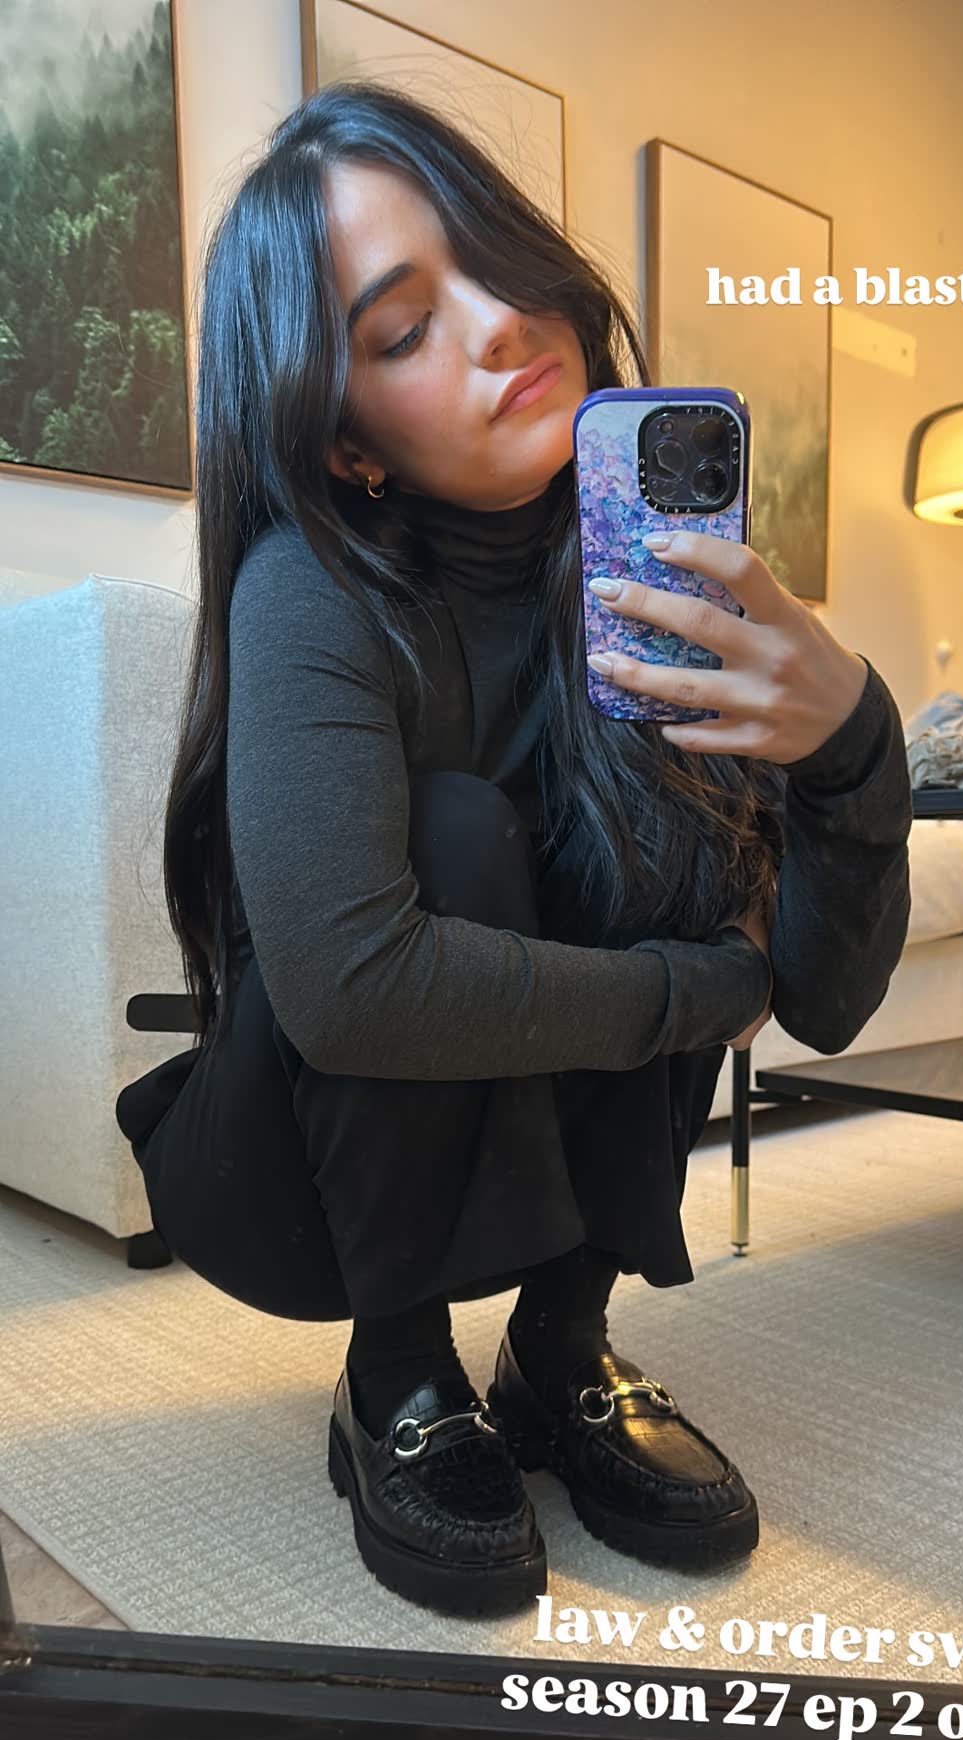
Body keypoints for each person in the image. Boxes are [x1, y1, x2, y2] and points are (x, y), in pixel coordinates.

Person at [115, 80, 912, 1619]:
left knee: (652, 811)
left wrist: (849, 742)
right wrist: (699, 989)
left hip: (516, 1127)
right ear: (344, 441)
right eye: (407, 328)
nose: (497, 324)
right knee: (459, 827)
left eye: (494, 257)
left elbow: (819, 1000)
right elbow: (353, 989)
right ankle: (397, 1374)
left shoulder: (657, 603)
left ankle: (558, 1352)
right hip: (288, 1169)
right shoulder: (310, 591)